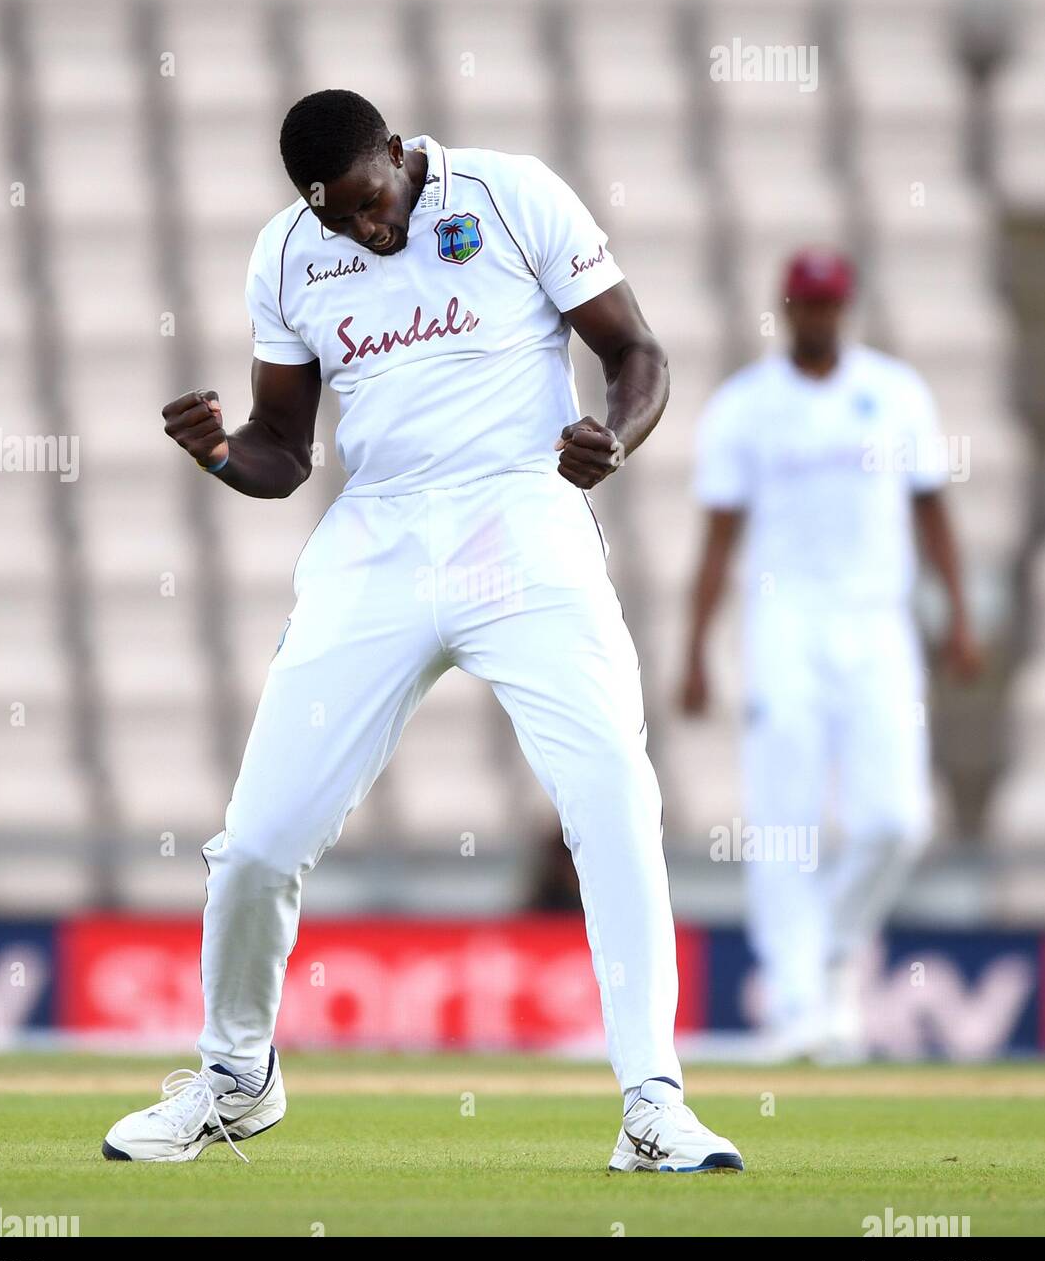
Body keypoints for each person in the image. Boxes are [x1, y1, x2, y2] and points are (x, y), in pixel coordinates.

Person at [102, 90, 742, 1172]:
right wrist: (219, 454)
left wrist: (614, 437)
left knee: (613, 801)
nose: (363, 230)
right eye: (337, 219)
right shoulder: (288, 250)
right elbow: (284, 450)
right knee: (259, 838)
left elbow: (639, 353)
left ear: (397, 155)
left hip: (521, 517)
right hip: (379, 541)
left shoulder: (512, 191)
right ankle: (234, 1079)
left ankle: (653, 1102)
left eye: (369, 204)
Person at [680, 247, 982, 1061]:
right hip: (783, 624)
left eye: (827, 304)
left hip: (877, 622)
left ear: (842, 308)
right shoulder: (745, 407)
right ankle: (794, 1001)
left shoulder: (892, 394)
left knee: (896, 820)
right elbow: (717, 536)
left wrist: (957, 617)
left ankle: (833, 947)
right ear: (787, 307)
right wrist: (696, 650)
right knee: (784, 822)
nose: (816, 317)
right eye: (804, 304)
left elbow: (933, 514)